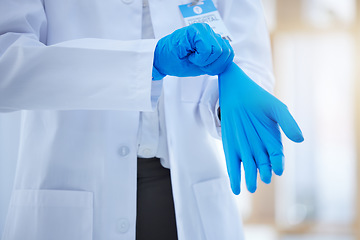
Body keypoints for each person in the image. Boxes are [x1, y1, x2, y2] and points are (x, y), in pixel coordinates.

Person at [0, 0, 302, 239]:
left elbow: (247, 51)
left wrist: (228, 103)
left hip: (188, 196)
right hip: (69, 196)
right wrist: (148, 63)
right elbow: (7, 64)